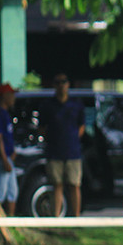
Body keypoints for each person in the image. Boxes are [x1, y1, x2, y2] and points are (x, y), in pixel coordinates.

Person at [39, 73, 85, 217]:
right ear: (54, 85)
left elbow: (81, 127)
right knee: (57, 185)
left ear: (68, 84)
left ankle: (76, 217)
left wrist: (71, 139)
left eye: (64, 82)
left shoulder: (76, 104)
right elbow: (42, 128)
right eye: (58, 82)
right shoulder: (48, 105)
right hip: (54, 152)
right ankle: (56, 217)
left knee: (74, 185)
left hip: (73, 152)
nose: (61, 85)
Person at [0, 82, 19, 216]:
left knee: (12, 191)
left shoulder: (6, 113)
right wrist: (4, 159)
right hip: (0, 159)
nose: (13, 98)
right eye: (11, 94)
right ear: (4, 96)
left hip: (8, 157)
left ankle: (10, 221)